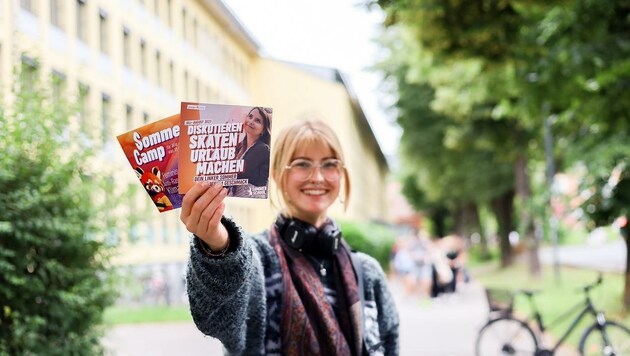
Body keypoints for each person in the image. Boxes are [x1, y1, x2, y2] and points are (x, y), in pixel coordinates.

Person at [181, 120, 400, 355]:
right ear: (275, 174)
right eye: (302, 164)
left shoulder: (367, 273)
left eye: (329, 165)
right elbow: (217, 321)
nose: (317, 177)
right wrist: (217, 243)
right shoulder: (257, 261)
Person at [230, 106, 272, 198]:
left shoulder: (262, 149)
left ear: (263, 130)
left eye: (257, 121)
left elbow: (238, 174)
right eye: (250, 116)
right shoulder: (240, 146)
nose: (251, 121)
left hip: (252, 199)